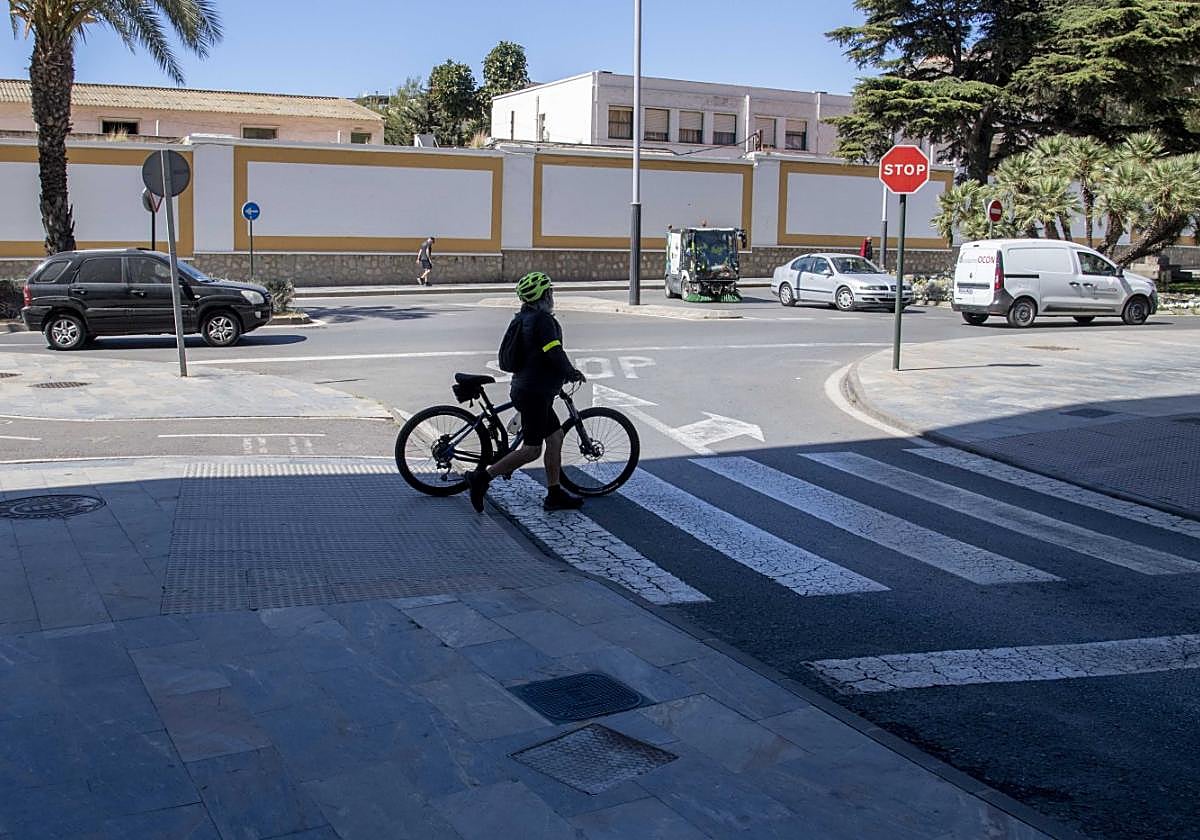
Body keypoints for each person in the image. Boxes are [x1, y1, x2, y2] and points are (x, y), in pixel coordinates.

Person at [466, 272, 586, 513]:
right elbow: (553, 351)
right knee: (532, 449)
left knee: (555, 437)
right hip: (534, 393)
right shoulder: (542, 321)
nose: (553, 295)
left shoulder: (523, 317)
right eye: (550, 292)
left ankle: (554, 494)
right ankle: (481, 479)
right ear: (544, 296)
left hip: (529, 388)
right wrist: (571, 372)